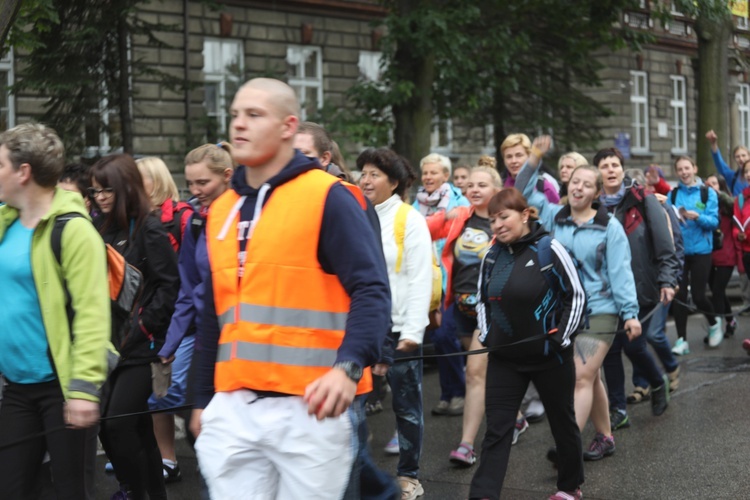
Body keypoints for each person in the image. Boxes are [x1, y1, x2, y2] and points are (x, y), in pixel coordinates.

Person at [189, 78, 391, 500]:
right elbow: (214, 311)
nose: (238, 125)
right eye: (235, 115)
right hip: (235, 404)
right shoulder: (222, 208)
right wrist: (201, 397)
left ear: (288, 126)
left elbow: (371, 289)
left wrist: (348, 369)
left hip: (311, 406)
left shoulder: (329, 197)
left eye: (254, 115)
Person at [0, 123, 111, 500]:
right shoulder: (6, 223)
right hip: (16, 388)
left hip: (62, 389)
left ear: (23, 172)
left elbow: (93, 315)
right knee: (11, 488)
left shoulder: (74, 230)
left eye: (0, 164)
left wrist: (83, 390)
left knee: (69, 492)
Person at [515, 139, 641, 462]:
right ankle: (606, 436)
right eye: (574, 183)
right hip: (564, 310)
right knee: (593, 376)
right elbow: (522, 190)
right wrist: (535, 157)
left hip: (601, 310)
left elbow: (621, 272)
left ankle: (568, 446)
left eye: (587, 184)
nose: (579, 188)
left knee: (581, 375)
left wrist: (630, 313)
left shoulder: (609, 228)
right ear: (567, 186)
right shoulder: (554, 217)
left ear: (597, 193)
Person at [468, 188, 586, 500]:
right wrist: (488, 334)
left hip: (550, 357)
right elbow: (482, 301)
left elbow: (576, 296)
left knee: (562, 423)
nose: (497, 225)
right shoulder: (491, 256)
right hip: (505, 360)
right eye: (493, 220)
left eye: (503, 217)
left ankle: (569, 487)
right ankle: (483, 494)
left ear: (524, 215)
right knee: (497, 430)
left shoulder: (549, 249)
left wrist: (561, 337)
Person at [92, 154, 180, 500]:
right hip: (110, 343)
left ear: (125, 187)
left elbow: (168, 285)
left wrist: (143, 327)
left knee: (117, 422)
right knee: (134, 427)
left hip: (140, 347)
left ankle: (133, 489)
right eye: (95, 190)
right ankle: (146, 492)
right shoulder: (102, 229)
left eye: (106, 190)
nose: (100, 197)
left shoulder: (150, 227)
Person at [358, 147, 433, 500]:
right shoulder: (356, 215)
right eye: (363, 173)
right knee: (355, 407)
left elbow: (420, 280)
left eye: (374, 174)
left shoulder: (409, 219)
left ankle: (409, 475)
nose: (365, 180)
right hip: (361, 329)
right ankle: (358, 473)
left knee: (407, 407)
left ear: (394, 182)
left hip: (399, 330)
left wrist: (413, 333)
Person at [423, 163, 510, 466]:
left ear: (496, 190)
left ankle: (467, 445)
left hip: (490, 309)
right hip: (458, 305)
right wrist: (441, 216)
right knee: (484, 370)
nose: (473, 190)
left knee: (474, 373)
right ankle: (518, 417)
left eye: (482, 185)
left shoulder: (504, 222)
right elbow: (424, 228)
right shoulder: (461, 216)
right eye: (470, 185)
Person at [594, 148, 678, 431]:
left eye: (615, 164)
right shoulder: (594, 207)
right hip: (605, 291)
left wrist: (667, 279)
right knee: (610, 349)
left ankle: (657, 380)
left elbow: (664, 244)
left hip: (639, 285)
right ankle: (618, 409)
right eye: (605, 165)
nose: (611, 169)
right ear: (598, 172)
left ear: (622, 168)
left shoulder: (643, 199)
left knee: (633, 344)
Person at [413, 153, 469, 417]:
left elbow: (453, 235)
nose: (428, 177)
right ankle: (448, 395)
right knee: (438, 337)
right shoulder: (416, 204)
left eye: (433, 173)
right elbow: (415, 232)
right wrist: (442, 221)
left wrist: (436, 225)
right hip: (425, 281)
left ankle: (458, 392)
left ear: (445, 176)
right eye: (425, 173)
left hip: (451, 281)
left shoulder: (461, 202)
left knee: (446, 334)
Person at [667, 155, 721, 354]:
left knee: (699, 295)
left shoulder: (707, 193)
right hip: (679, 252)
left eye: (687, 168)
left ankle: (714, 323)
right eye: (680, 169)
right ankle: (681, 340)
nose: (684, 172)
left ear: (694, 168)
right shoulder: (672, 194)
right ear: (676, 172)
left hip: (701, 251)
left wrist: (699, 217)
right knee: (679, 296)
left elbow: (714, 222)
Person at [706, 174, 740, 339]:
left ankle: (716, 330)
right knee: (717, 291)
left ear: (720, 186)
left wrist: (717, 194)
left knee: (717, 291)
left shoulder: (727, 206)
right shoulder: (704, 204)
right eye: (708, 184)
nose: (710, 186)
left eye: (714, 184)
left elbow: (734, 205)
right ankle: (730, 320)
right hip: (708, 255)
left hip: (727, 255)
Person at [500, 133, 560, 203]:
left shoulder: (544, 186)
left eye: (519, 155)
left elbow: (558, 212)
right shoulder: (499, 186)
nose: (514, 161)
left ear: (529, 156)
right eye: (509, 157)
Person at [706, 129, 750, 196]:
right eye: (737, 157)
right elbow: (720, 164)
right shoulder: (733, 177)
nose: (741, 159)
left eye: (743, 155)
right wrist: (713, 143)